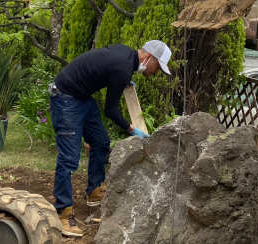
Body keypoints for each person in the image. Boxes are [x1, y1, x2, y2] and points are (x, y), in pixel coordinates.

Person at [49, 40, 171, 237]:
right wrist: (132, 130)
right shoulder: (122, 68)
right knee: (69, 158)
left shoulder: (126, 57)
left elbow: (108, 69)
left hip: (82, 97)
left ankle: (94, 189)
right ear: (149, 58)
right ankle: (63, 213)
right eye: (158, 67)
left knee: (100, 142)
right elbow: (111, 110)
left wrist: (122, 81)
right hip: (66, 97)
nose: (156, 72)